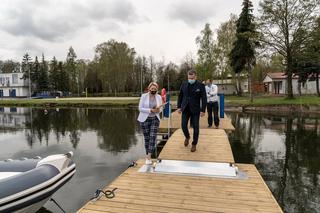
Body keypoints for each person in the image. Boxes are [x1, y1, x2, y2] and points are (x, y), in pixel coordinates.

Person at [177, 70, 207, 152]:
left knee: (196, 128)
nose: (190, 79)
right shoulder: (184, 84)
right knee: (183, 126)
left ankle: (194, 144)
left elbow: (204, 98)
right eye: (189, 78)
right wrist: (179, 107)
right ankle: (187, 137)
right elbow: (180, 96)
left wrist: (203, 110)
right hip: (185, 109)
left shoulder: (200, 85)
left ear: (195, 77)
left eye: (192, 78)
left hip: (195, 110)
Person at [137, 82, 163, 165]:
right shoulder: (144, 96)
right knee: (147, 138)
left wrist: (159, 110)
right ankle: (147, 155)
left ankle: (149, 157)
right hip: (144, 119)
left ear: (157, 90)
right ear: (149, 89)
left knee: (153, 137)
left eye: (155, 89)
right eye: (152, 89)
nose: (153, 90)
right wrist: (150, 110)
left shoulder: (159, 97)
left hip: (155, 119)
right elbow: (140, 108)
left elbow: (161, 108)